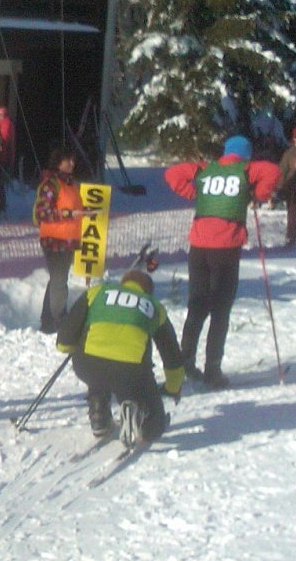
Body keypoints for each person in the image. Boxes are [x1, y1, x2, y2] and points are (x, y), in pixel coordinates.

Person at [164, 135, 281, 389]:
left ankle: (185, 362)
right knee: (220, 309)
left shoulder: (206, 169)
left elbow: (172, 173)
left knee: (196, 306)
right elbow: (273, 170)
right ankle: (213, 370)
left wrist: (193, 192)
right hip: (226, 248)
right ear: (245, 154)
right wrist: (258, 193)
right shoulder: (246, 169)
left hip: (198, 247)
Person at [56, 269, 184, 446]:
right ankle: (139, 415)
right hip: (131, 372)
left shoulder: (96, 292)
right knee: (155, 425)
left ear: (123, 283)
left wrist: (73, 347)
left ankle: (99, 415)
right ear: (148, 291)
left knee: (99, 369)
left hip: (87, 366)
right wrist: (173, 387)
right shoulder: (155, 307)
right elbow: (172, 356)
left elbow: (64, 341)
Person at [32, 146, 87, 333]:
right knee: (59, 281)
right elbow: (42, 213)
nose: (72, 163)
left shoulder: (71, 184)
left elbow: (72, 208)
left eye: (73, 160)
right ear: (58, 163)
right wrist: (69, 214)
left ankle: (48, 320)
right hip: (54, 240)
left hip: (68, 240)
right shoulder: (51, 185)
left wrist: (84, 212)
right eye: (67, 160)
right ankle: (60, 319)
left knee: (57, 279)